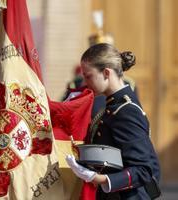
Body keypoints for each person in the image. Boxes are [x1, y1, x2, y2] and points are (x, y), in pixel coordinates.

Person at [65, 43, 160, 199]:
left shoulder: (126, 111)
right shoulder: (113, 105)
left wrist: (100, 179)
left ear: (106, 73)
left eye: (88, 76)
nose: (85, 83)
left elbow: (144, 169)